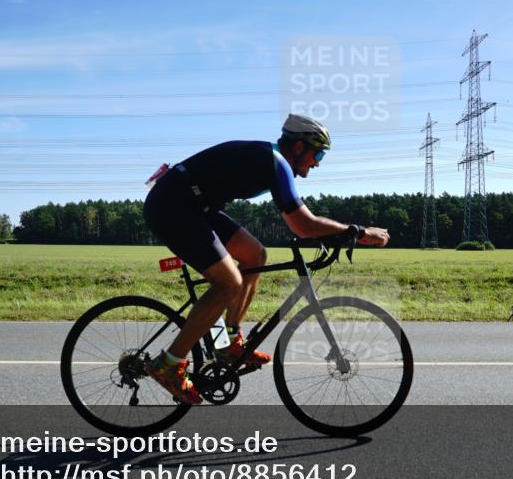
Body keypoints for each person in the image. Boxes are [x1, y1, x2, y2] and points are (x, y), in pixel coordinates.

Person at [142, 114, 390, 404]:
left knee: (254, 254)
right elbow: (303, 225)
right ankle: (169, 364)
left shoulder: (273, 160)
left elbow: (301, 222)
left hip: (195, 205)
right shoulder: (276, 162)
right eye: (318, 153)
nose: (318, 162)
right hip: (173, 205)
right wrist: (358, 232)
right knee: (227, 284)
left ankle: (230, 342)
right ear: (299, 146)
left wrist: (339, 234)